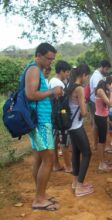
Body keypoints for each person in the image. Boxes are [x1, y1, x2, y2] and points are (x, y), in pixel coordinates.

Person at [24, 43, 63, 211]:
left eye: (52, 59)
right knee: (48, 159)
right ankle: (39, 199)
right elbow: (31, 94)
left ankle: (41, 194)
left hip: (39, 120)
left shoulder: (36, 70)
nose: (50, 62)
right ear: (38, 55)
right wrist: (52, 91)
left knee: (40, 159)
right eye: (48, 58)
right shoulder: (33, 70)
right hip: (40, 122)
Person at [68, 64, 93, 197]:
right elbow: (83, 112)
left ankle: (75, 182)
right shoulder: (79, 89)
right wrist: (87, 110)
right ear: (83, 75)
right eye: (87, 75)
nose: (87, 78)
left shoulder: (69, 85)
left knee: (76, 152)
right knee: (87, 153)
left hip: (70, 125)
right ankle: (79, 186)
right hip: (76, 126)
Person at [49, 60, 72, 173]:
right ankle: (68, 166)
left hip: (54, 116)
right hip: (60, 117)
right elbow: (58, 95)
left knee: (55, 141)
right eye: (67, 72)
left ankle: (56, 165)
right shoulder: (57, 83)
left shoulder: (53, 81)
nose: (68, 74)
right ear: (62, 71)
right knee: (64, 142)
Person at [95, 76, 112, 171]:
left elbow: (105, 108)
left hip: (103, 117)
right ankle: (101, 164)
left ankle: (102, 161)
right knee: (101, 141)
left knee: (103, 140)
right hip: (100, 118)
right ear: (108, 84)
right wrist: (111, 91)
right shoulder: (100, 90)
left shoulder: (103, 90)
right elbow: (110, 104)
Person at [89, 60, 111, 151]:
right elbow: (97, 89)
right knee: (97, 124)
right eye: (106, 69)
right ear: (102, 67)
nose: (107, 71)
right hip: (96, 102)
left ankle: (97, 144)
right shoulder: (97, 76)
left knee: (97, 124)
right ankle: (96, 144)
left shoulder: (98, 75)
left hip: (95, 102)